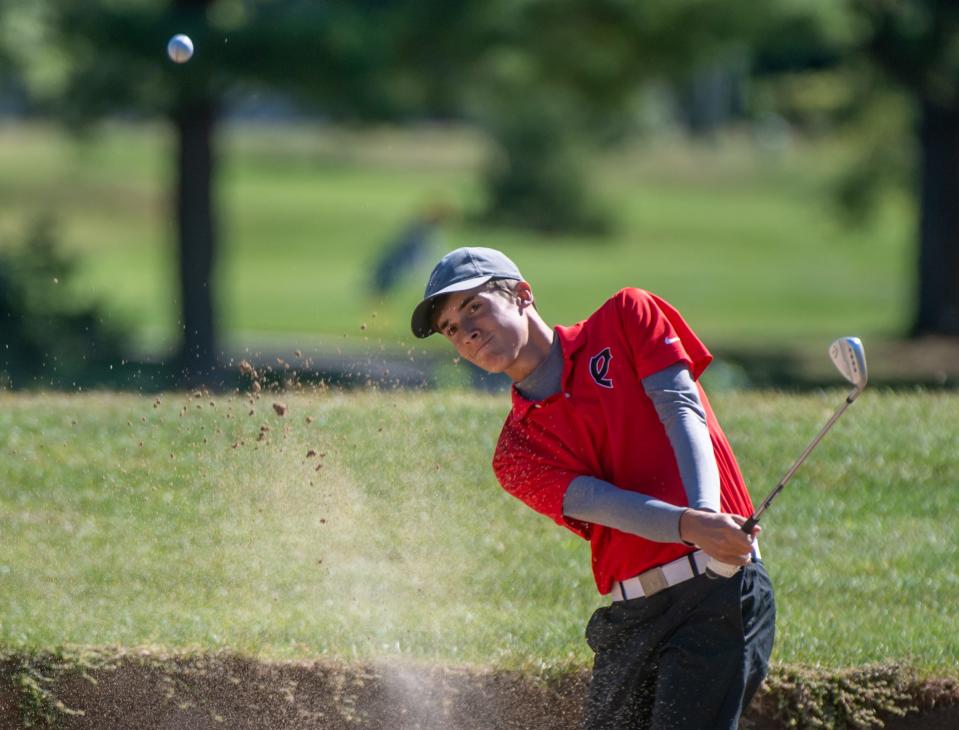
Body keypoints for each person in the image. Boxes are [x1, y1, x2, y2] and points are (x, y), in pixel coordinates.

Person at [410, 247, 776, 729]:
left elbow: (681, 409)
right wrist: (691, 525)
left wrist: (707, 517)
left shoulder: (627, 316)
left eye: (474, 307)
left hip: (718, 589)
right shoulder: (515, 452)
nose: (467, 332)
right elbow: (600, 503)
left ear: (522, 295)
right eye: (451, 329)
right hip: (632, 617)